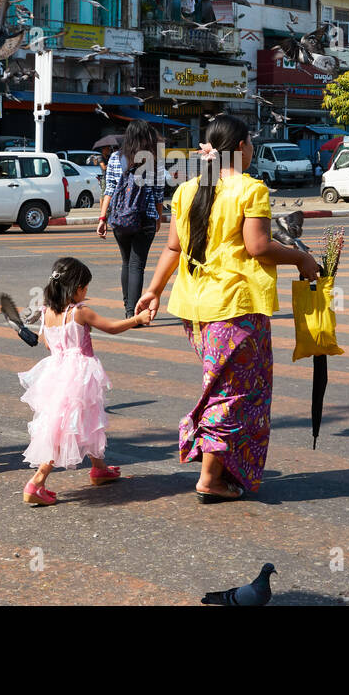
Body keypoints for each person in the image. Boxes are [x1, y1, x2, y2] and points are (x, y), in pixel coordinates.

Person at [137, 115, 320, 503]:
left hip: (195, 309)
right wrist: (300, 259)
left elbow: (173, 247)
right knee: (233, 393)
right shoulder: (250, 189)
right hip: (236, 306)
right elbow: (258, 247)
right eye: (251, 141)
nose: (252, 148)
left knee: (225, 387)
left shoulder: (187, 189)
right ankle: (209, 477)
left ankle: (218, 467)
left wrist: (153, 290)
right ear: (240, 147)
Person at [17, 257, 151, 506]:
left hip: (56, 371)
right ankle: (37, 481)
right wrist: (137, 320)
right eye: (85, 288)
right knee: (65, 427)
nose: (86, 293)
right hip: (79, 374)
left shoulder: (47, 312)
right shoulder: (79, 312)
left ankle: (99, 469)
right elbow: (111, 327)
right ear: (76, 289)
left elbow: (47, 343)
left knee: (84, 420)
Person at [96, 120, 164, 318]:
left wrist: (102, 218)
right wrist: (158, 217)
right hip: (145, 218)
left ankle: (128, 308)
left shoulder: (116, 158)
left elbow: (109, 189)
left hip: (120, 217)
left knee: (126, 262)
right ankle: (132, 312)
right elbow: (158, 193)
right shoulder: (154, 160)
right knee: (137, 264)